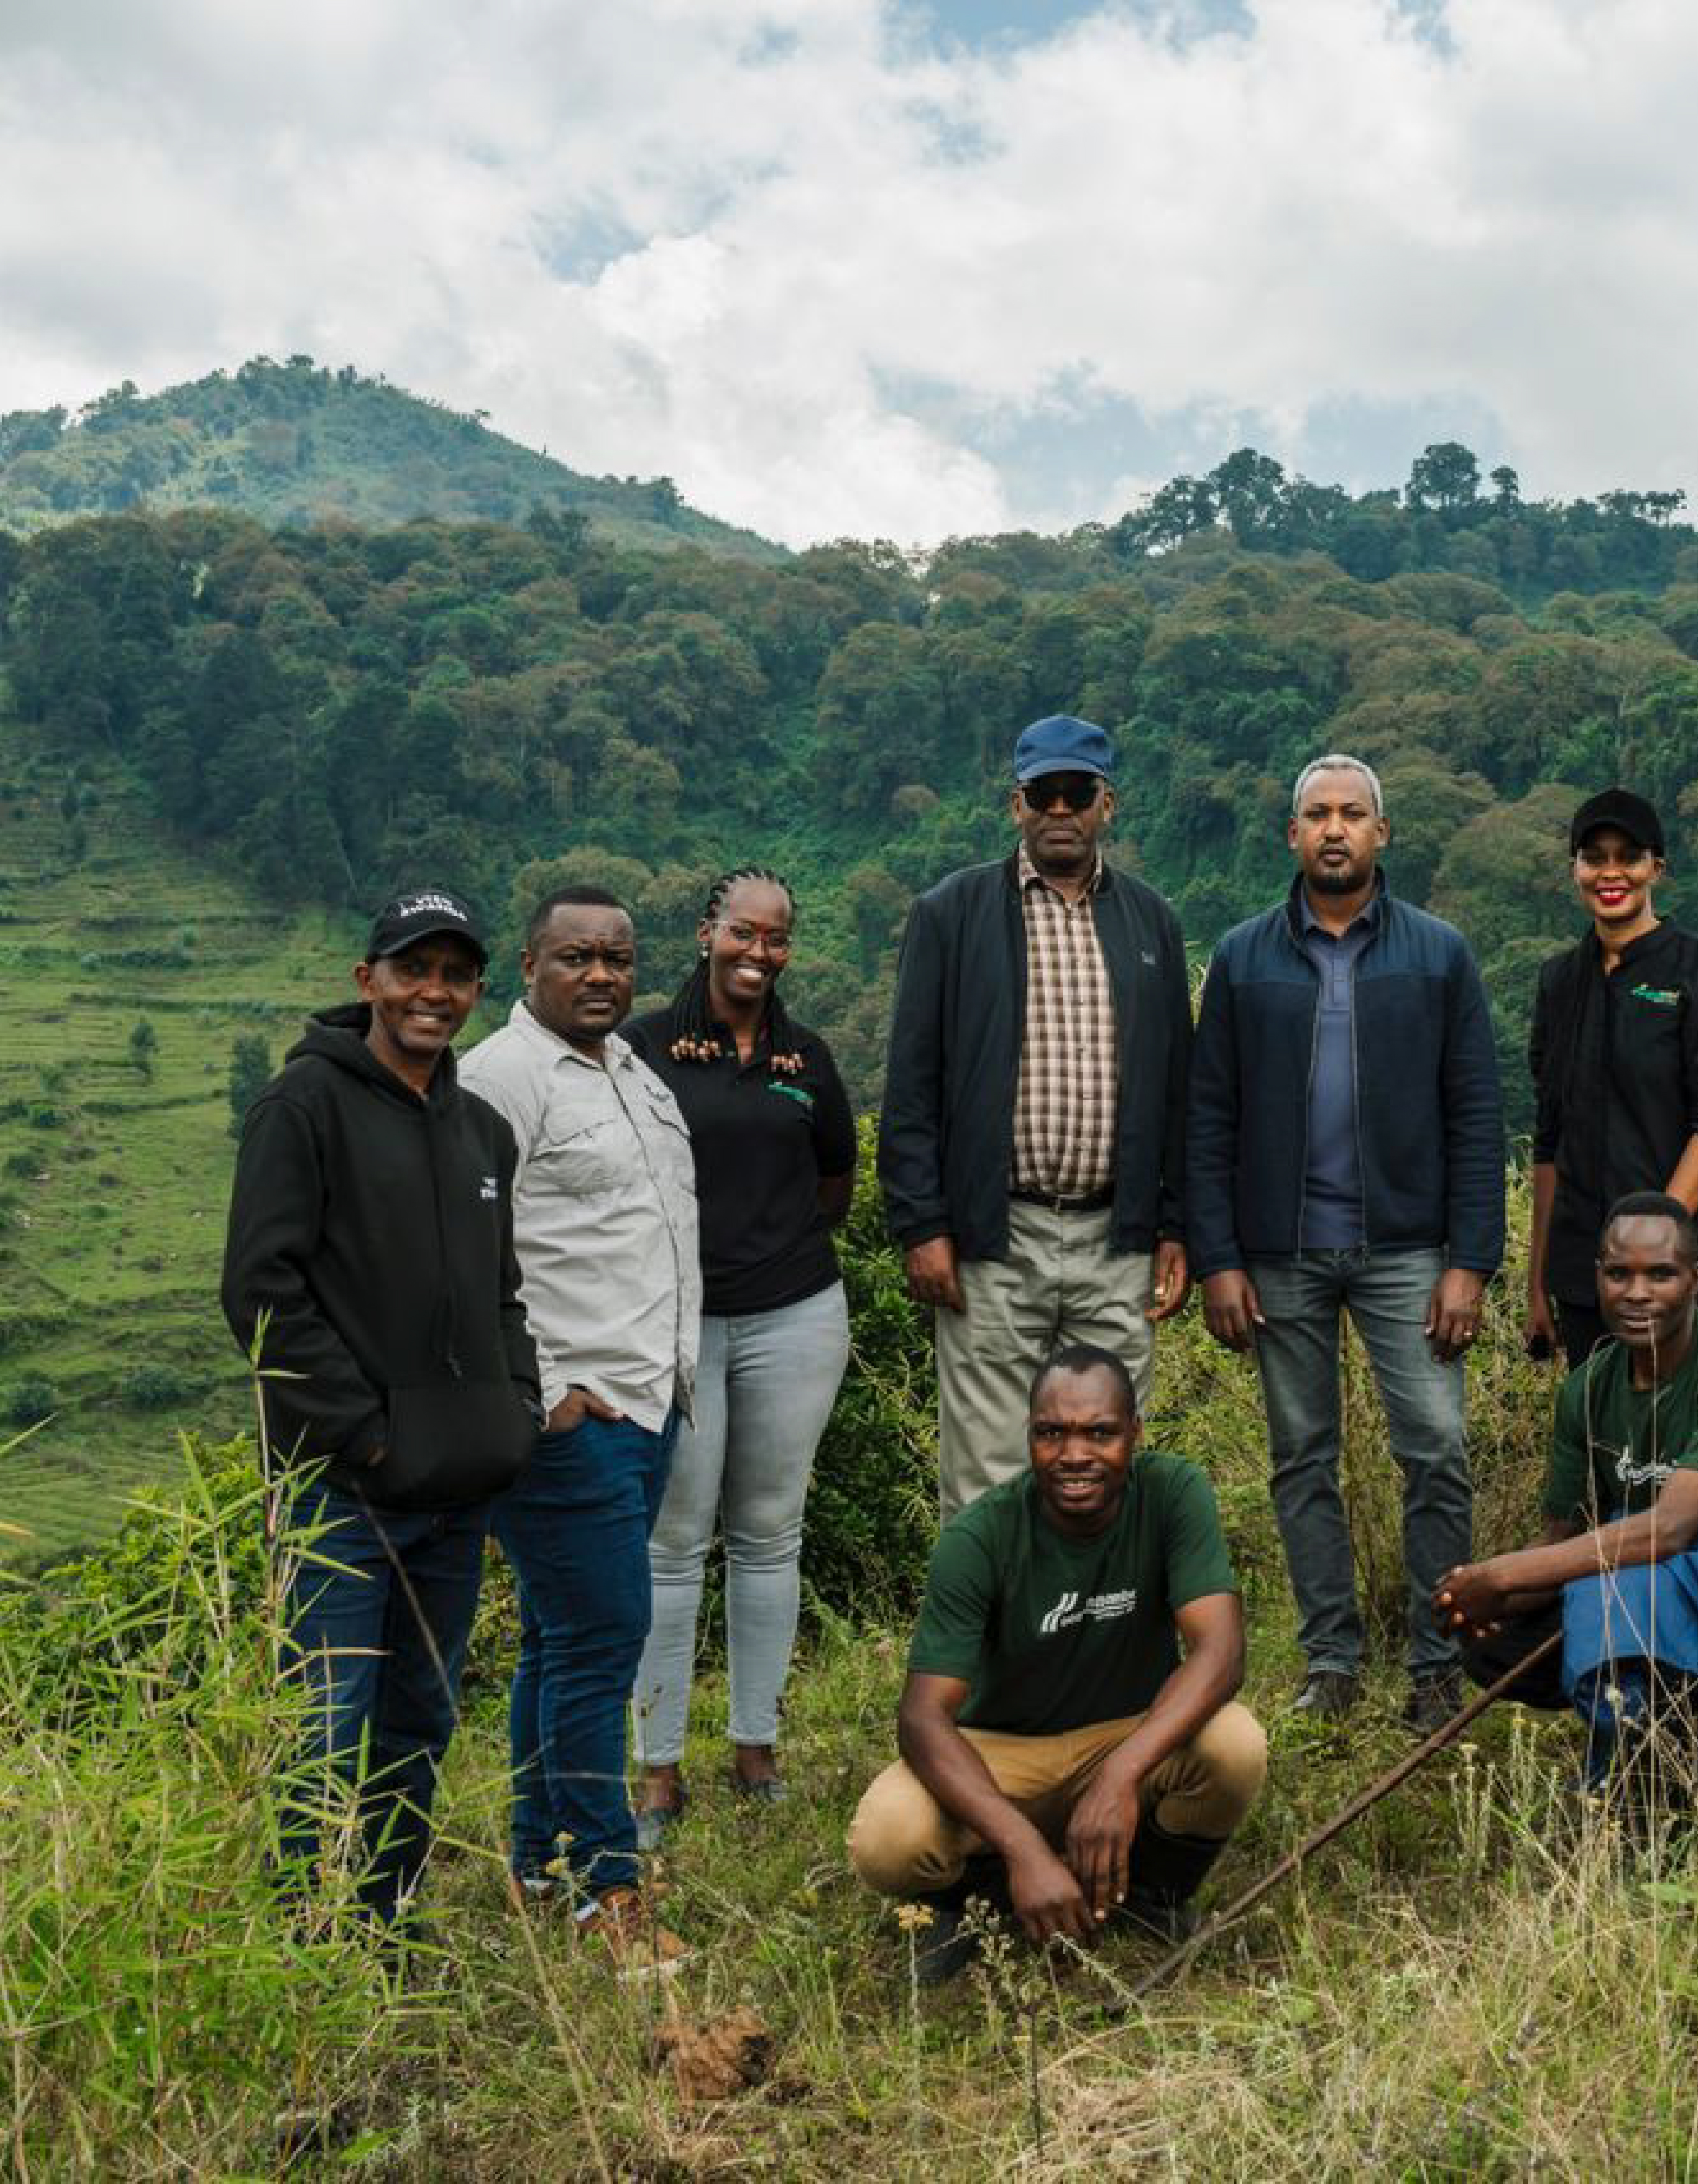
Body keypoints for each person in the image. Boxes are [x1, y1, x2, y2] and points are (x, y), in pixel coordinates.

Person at [221, 887, 539, 1936]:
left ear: (476, 990)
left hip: (454, 1493)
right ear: (368, 980)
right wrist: (365, 1432)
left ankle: (384, 1923)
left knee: (418, 1723)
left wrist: (517, 1406)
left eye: (455, 974)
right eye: (413, 969)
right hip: (342, 1494)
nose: (433, 992)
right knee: (324, 1727)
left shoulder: (482, 1130)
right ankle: (308, 1949)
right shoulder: (301, 1108)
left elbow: (501, 1294)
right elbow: (260, 1290)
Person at [1187, 754, 1503, 1730]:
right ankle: (1331, 1661)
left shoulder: (1439, 953)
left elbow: (1476, 1113)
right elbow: (1209, 1116)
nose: (1335, 829)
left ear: (1381, 831)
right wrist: (1218, 1258)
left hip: (1407, 1249)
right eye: (1317, 814)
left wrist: (1469, 1262)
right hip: (1279, 1251)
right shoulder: (1243, 957)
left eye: (1352, 813)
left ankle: (1436, 1663)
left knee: (1436, 1448)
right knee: (1301, 1458)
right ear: (1293, 834)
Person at [458, 885, 701, 1969]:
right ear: (529, 965)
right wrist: (545, 1386)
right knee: (603, 1644)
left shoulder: (629, 1069)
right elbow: (466, 1247)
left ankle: (536, 1861)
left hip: (645, 1401)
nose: (601, 974)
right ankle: (610, 1893)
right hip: (571, 1417)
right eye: (575, 956)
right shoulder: (500, 1079)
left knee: (560, 1642)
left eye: (617, 956)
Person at [845, 1346, 1264, 1975]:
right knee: (887, 1838)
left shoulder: (1172, 1492)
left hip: (1125, 1733)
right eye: (1052, 1433)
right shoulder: (978, 1537)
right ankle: (982, 1901)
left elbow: (1221, 1653)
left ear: (1134, 1433)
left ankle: (1150, 1894)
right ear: (1030, 1437)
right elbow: (923, 1718)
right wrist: (1023, 1848)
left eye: (1100, 1433)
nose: (1074, 1455)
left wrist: (1119, 1776)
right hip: (1002, 1751)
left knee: (1235, 1745)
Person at [1435, 1195, 1698, 1820]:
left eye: (1660, 1274)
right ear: (1596, 1278)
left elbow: (1672, 1528)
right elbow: (1563, 1536)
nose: (1636, 1293)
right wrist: (1478, 1595)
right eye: (1618, 1274)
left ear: (1696, 1280)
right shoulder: (1588, 1388)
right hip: (1651, 1587)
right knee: (1499, 1637)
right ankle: (1655, 1745)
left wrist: (1501, 1574)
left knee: (1627, 1575)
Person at [881, 716, 1192, 1515]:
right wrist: (922, 1225)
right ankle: (987, 1606)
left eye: (1075, 792)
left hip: (1115, 1242)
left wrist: (1175, 1225)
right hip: (994, 1240)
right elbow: (912, 1080)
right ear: (1015, 803)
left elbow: (1177, 1089)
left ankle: (1099, 1604)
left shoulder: (1151, 920)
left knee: (1106, 1471)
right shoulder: (950, 913)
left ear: (1105, 804)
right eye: (1042, 793)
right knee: (987, 1476)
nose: (1059, 809)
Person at [620, 868, 857, 1838]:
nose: (760, 951)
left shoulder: (805, 1057)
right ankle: (660, 1768)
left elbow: (835, 1180)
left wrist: (771, 1246)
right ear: (706, 932)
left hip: (794, 1315)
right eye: (743, 932)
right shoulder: (643, 1048)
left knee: (768, 1532)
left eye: (777, 937)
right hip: (674, 1326)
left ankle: (757, 1747)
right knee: (673, 1542)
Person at [1526, 786, 1698, 1364]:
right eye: (1593, 858)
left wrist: (1652, 1243)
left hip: (1687, 1255)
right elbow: (1550, 1139)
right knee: (1600, 1413)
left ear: (1656, 868)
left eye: (1628, 857)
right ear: (1574, 869)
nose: (1610, 873)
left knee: (1690, 1410)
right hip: (1585, 1264)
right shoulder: (1559, 981)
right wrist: (1536, 1284)